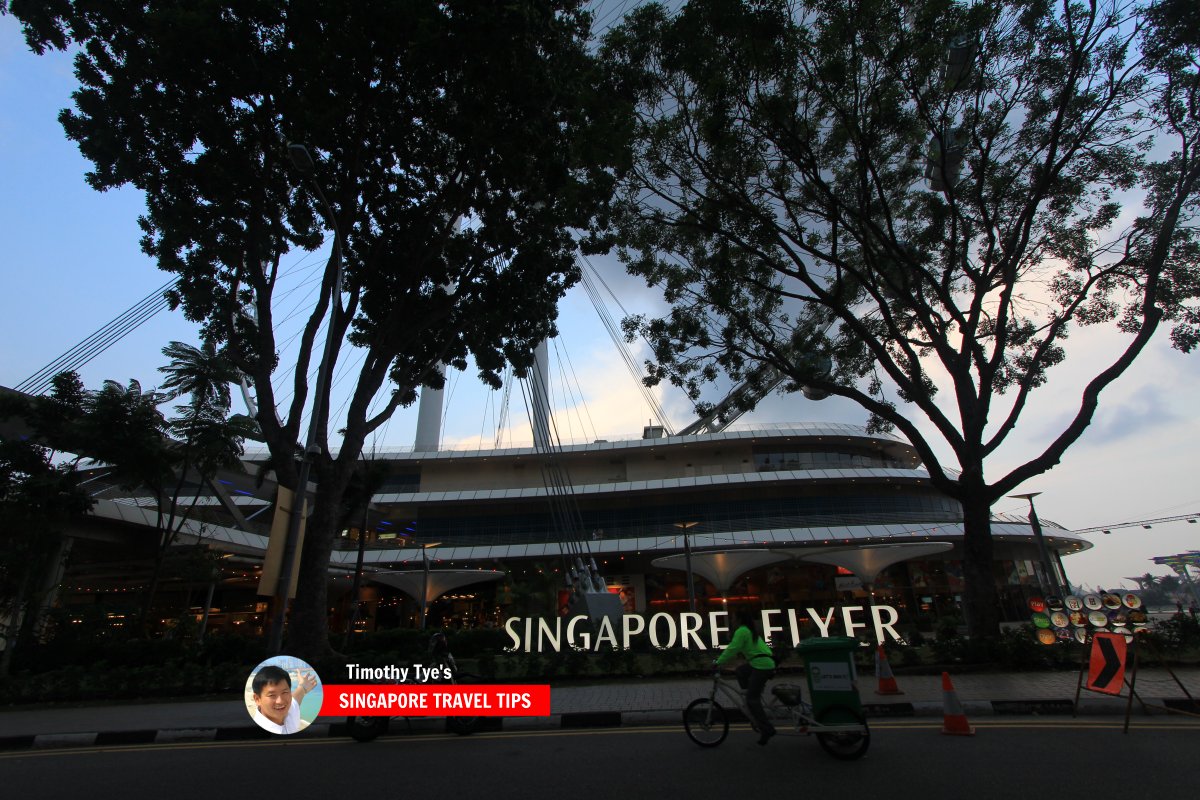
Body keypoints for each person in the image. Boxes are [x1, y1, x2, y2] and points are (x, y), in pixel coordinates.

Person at [714, 610, 777, 745]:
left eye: (733, 617)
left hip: (761, 665)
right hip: (762, 662)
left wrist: (718, 662)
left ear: (739, 619)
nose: (731, 620)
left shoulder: (742, 631)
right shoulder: (748, 630)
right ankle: (749, 693)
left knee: (752, 699)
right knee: (741, 671)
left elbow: (732, 649)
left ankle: (767, 728)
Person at [251, 665, 318, 734]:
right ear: (257, 699)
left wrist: (303, 687)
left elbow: (296, 698)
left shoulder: (289, 710)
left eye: (285, 692)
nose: (280, 701)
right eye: (272, 695)